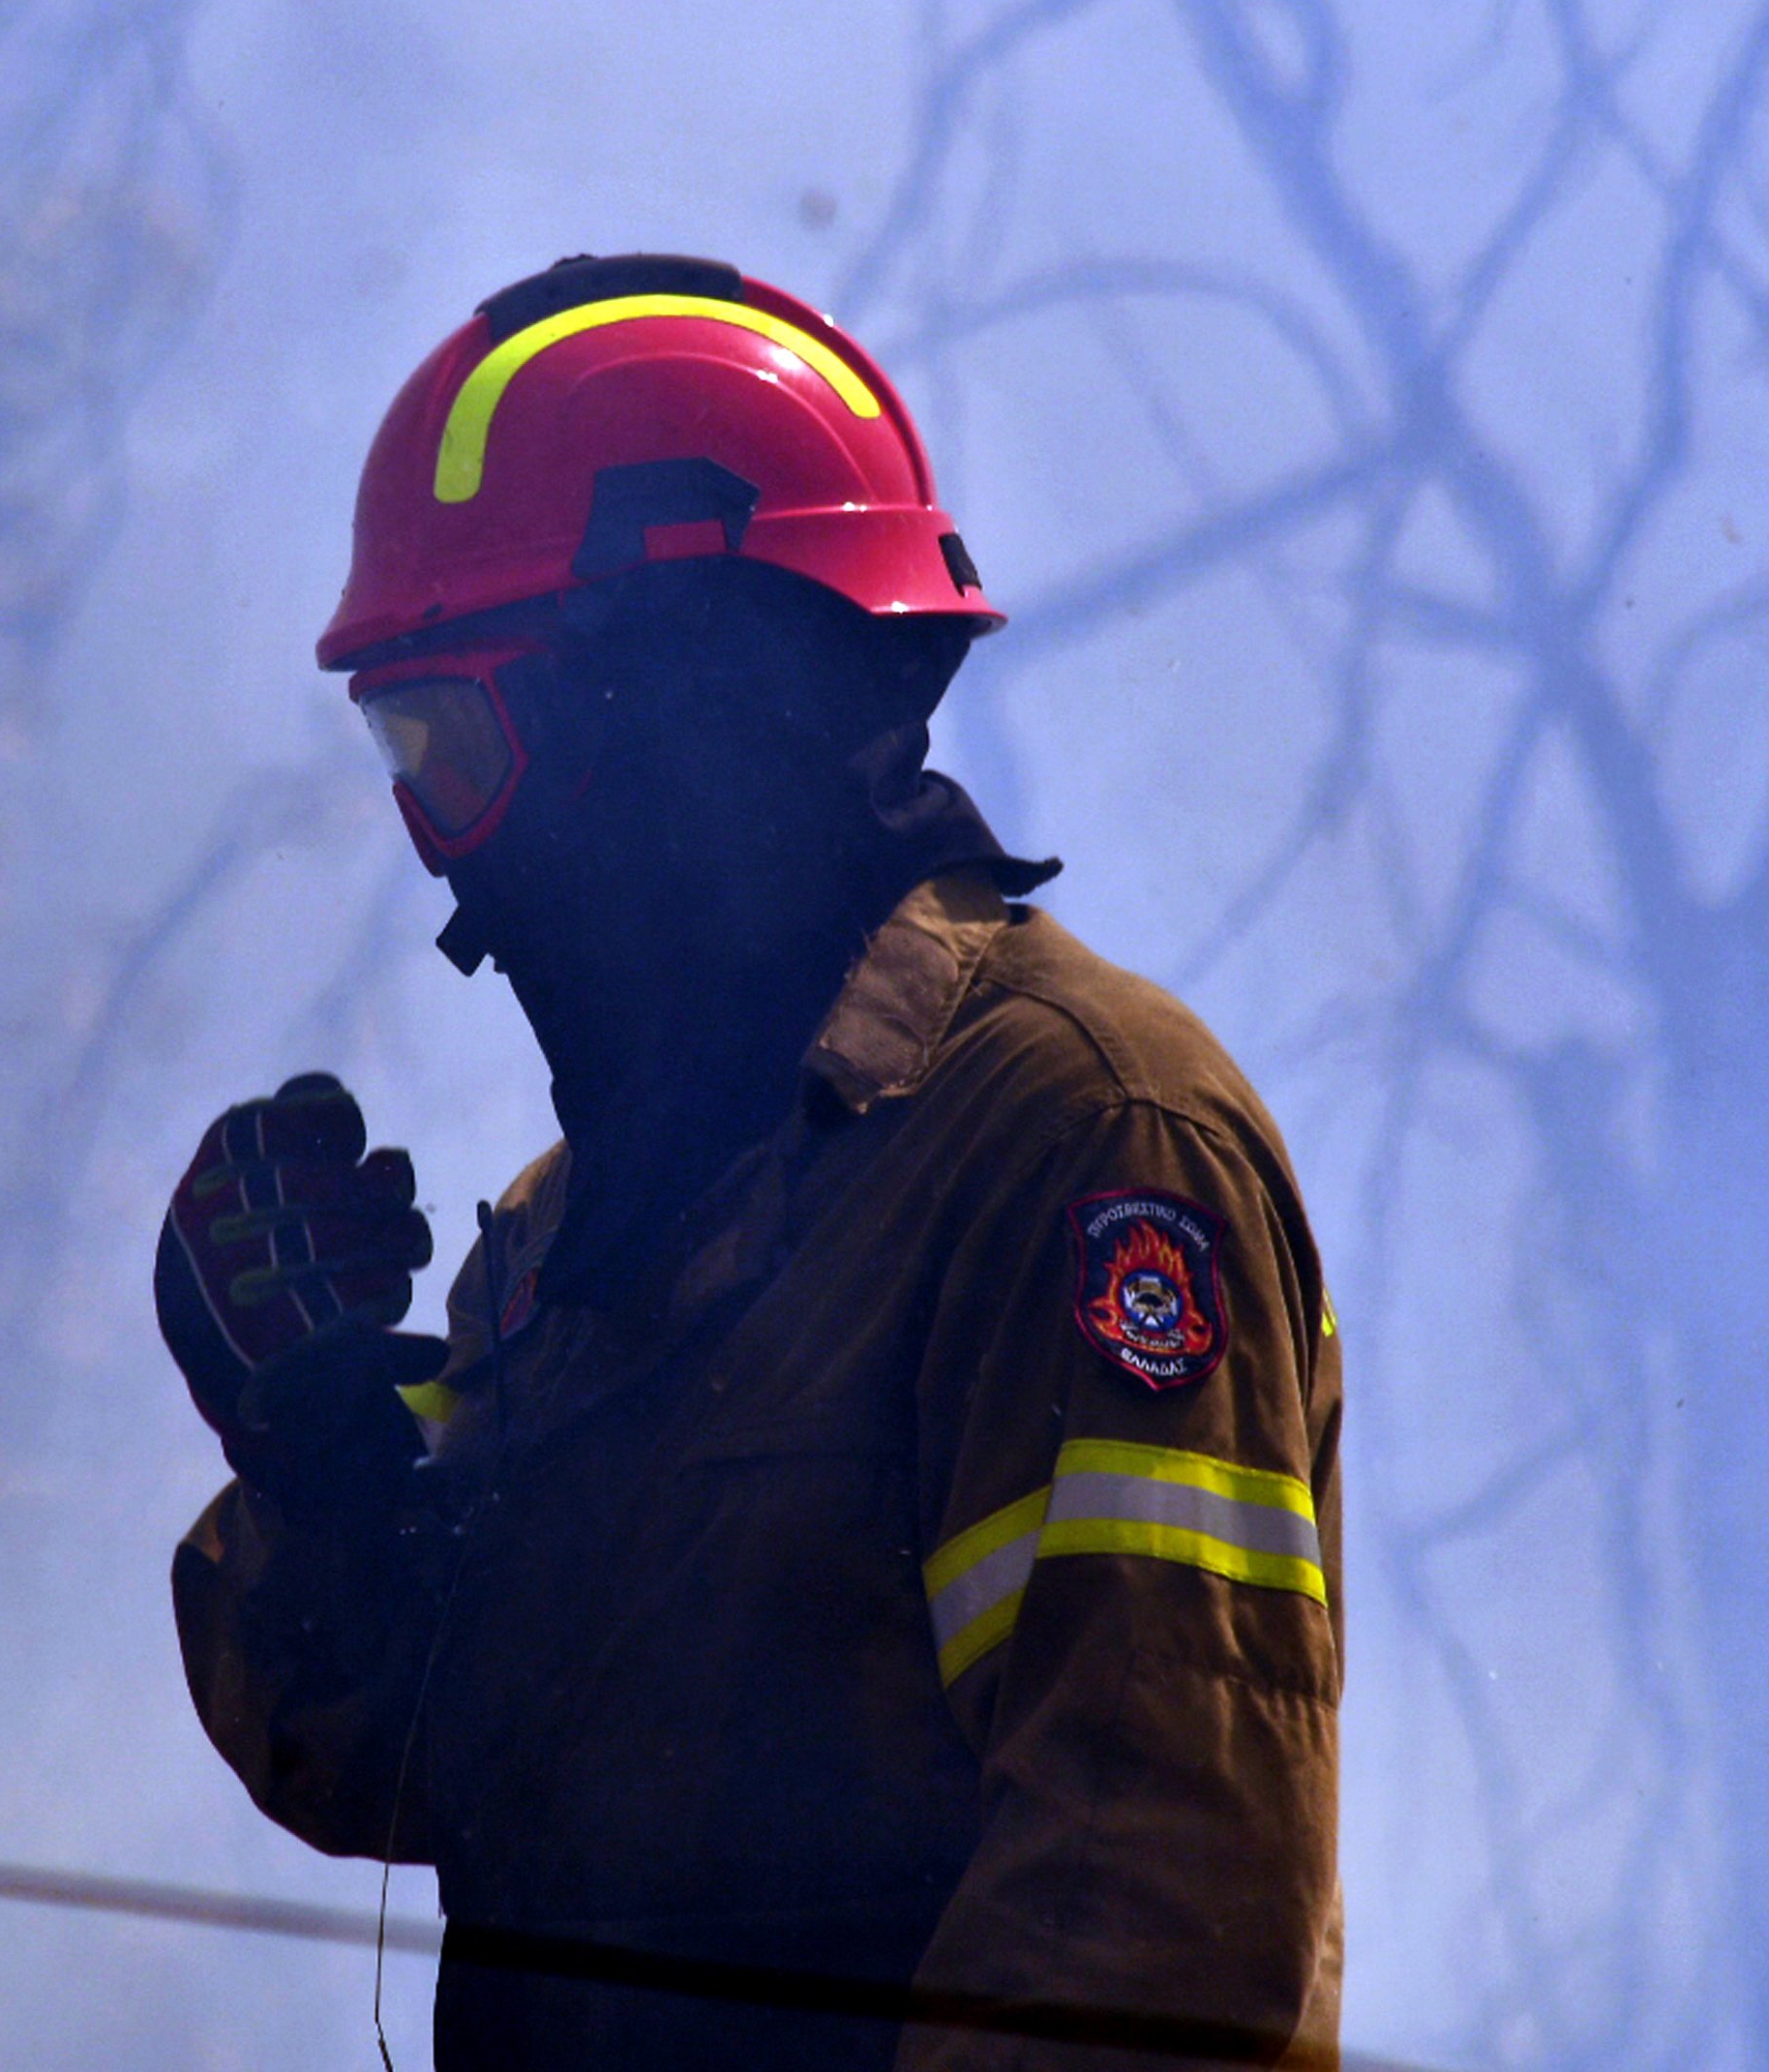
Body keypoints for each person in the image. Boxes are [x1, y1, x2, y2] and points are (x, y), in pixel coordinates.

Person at [157, 255, 1341, 2069]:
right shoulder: (573, 1246)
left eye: (452, 742)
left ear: (680, 706)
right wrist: (314, 1452)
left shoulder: (1078, 1145)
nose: (440, 847)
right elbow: (394, 1752)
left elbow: (1152, 1917)